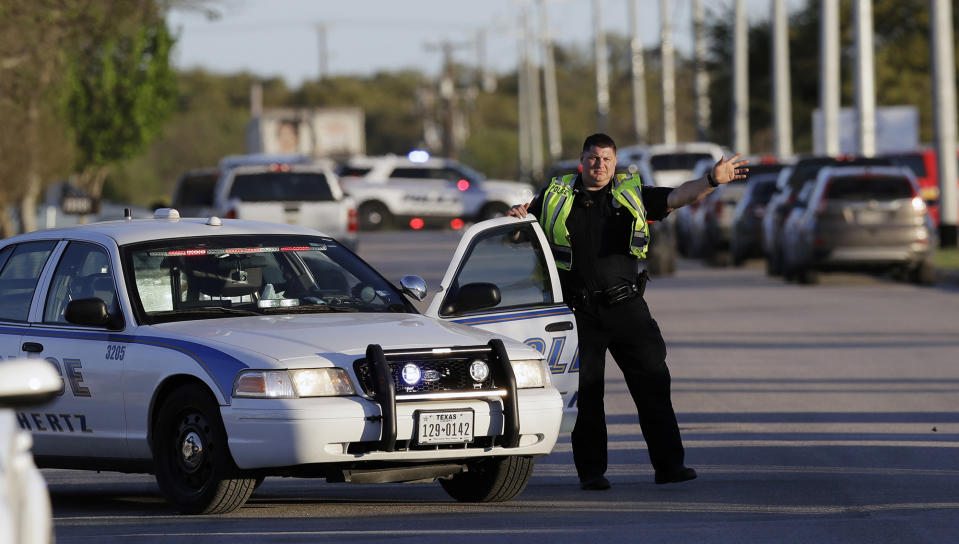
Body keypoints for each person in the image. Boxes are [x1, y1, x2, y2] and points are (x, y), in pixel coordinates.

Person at [508, 133, 748, 490]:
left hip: (626, 307)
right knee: (587, 395)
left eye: (606, 158)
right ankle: (592, 473)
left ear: (615, 162)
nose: (599, 165)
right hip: (579, 313)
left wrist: (712, 180)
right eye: (592, 158)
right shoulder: (554, 199)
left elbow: (679, 195)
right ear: (582, 160)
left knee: (653, 383)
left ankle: (669, 466)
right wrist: (514, 220)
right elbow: (520, 229)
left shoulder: (631, 195)